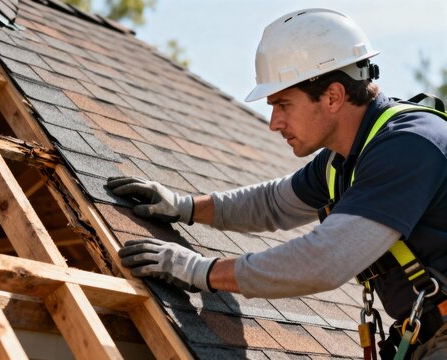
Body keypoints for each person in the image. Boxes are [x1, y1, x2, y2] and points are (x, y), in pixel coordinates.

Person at [106, 8, 447, 360]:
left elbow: (323, 261)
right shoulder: (343, 160)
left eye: (283, 104)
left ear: (332, 96)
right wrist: (185, 206)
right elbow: (273, 203)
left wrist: (197, 270)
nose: (274, 123)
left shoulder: (410, 145)